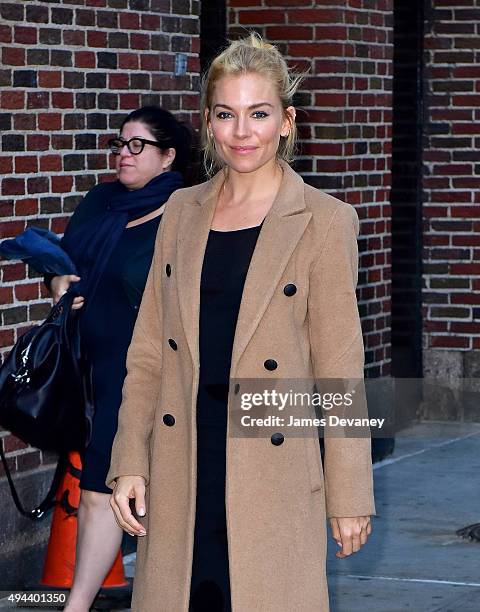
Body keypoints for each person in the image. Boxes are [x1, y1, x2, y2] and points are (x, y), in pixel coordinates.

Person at [108, 34, 375, 612]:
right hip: (183, 463)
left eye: (259, 113)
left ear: (286, 121)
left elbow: (339, 368)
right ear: (209, 123)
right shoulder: (180, 211)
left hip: (270, 466)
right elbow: (148, 353)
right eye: (227, 114)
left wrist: (349, 492)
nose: (242, 131)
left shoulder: (325, 222)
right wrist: (130, 458)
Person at [45, 106, 192, 612]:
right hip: (90, 366)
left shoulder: (183, 211)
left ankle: (77, 605)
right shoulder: (101, 201)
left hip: (144, 372)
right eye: (119, 144)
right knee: (101, 486)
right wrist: (60, 284)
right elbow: (66, 261)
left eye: (137, 146)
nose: (122, 155)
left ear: (169, 155)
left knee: (100, 488)